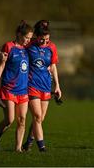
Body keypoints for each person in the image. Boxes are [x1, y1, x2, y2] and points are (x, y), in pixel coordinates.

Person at [0, 20, 33, 152]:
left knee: (22, 120)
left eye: (29, 38)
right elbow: (2, 65)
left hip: (23, 90)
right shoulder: (9, 46)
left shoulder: (28, 49)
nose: (28, 40)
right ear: (18, 34)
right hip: (9, 89)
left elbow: (41, 46)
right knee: (10, 120)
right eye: (26, 37)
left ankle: (18, 149)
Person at [22, 20, 62, 152]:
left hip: (46, 85)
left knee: (40, 119)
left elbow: (53, 67)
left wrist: (57, 86)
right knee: (37, 116)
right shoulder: (29, 45)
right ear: (36, 37)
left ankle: (28, 142)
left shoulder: (52, 47)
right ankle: (42, 148)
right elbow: (16, 49)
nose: (45, 42)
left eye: (47, 39)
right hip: (32, 85)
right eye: (42, 39)